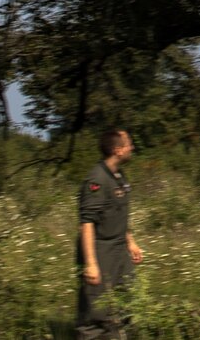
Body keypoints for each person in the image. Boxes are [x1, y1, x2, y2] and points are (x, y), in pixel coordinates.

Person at [77, 128, 145, 340]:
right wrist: (90, 263)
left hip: (119, 250)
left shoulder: (118, 176)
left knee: (127, 302)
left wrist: (131, 242)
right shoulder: (96, 180)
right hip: (101, 251)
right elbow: (87, 223)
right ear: (118, 150)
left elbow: (119, 213)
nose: (132, 147)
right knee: (96, 312)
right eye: (128, 144)